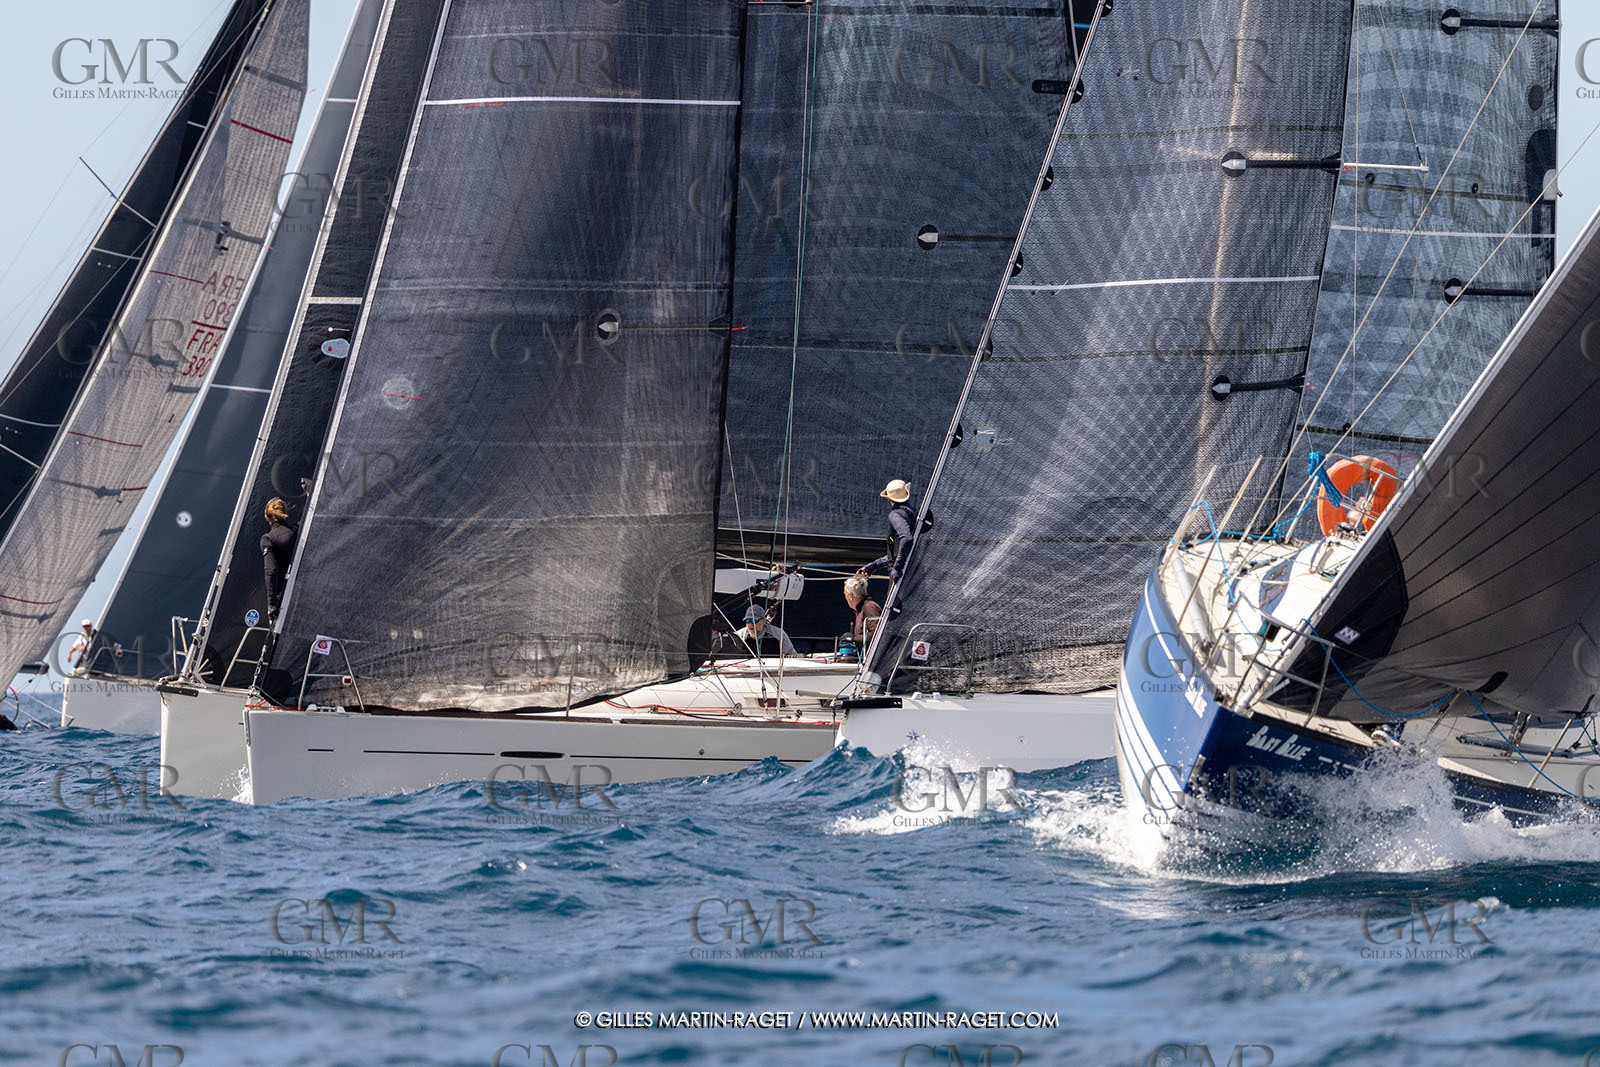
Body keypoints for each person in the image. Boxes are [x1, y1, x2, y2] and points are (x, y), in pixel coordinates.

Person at [863, 478, 916, 581]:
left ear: (889, 499)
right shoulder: (911, 512)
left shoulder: (895, 514)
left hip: (903, 579)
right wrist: (875, 565)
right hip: (912, 572)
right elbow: (900, 551)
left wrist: (898, 567)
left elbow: (907, 539)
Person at [260, 498, 298, 625]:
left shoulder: (268, 539)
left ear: (266, 516)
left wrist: (271, 604)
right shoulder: (297, 531)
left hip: (285, 595)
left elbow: (271, 571)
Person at [843, 575, 881, 645]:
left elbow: (877, 635)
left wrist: (853, 639)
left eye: (845, 595)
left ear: (850, 596)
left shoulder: (870, 607)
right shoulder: (861, 609)